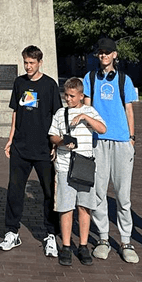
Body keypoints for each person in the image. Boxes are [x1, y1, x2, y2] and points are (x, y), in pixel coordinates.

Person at [0, 45, 62, 257]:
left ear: (40, 62)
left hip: (44, 149)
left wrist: (55, 144)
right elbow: (16, 113)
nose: (28, 66)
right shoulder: (19, 82)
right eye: (25, 62)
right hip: (20, 147)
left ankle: (50, 235)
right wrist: (10, 139)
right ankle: (11, 232)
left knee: (49, 193)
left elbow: (57, 116)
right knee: (14, 191)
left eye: (32, 63)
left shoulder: (50, 85)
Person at [82, 37, 139, 264]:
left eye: (107, 52)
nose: (103, 55)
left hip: (122, 141)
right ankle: (103, 238)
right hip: (98, 141)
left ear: (115, 54)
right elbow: (87, 109)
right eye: (100, 52)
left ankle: (126, 241)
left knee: (123, 195)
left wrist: (131, 138)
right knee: (98, 192)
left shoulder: (124, 79)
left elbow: (129, 110)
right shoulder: (90, 78)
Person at [49, 78, 106, 267]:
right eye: (66, 95)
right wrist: (62, 142)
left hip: (84, 165)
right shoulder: (60, 113)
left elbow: (102, 129)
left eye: (72, 96)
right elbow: (52, 135)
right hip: (65, 165)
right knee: (66, 207)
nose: (68, 99)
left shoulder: (90, 111)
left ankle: (83, 245)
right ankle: (66, 246)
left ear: (81, 96)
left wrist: (85, 117)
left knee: (84, 206)